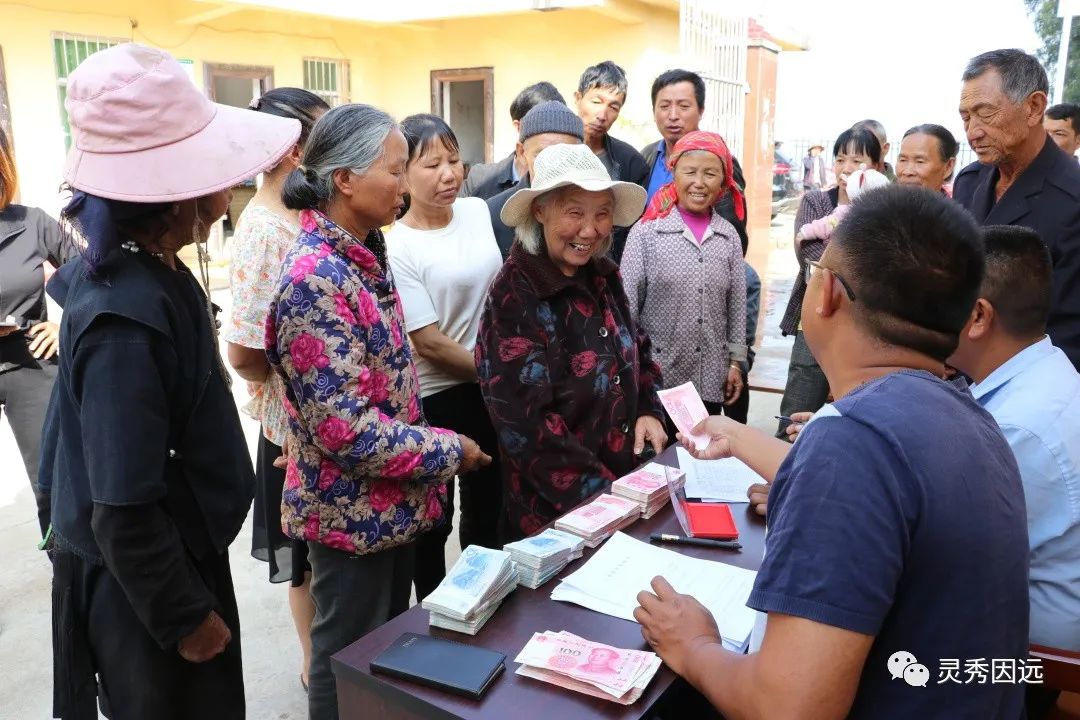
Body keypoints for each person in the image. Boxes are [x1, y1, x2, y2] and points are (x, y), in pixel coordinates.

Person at [635, 185, 1029, 719]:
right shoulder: (972, 418)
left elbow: (789, 709)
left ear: (828, 296)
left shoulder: (851, 442)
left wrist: (694, 643)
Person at [38, 43, 301, 718]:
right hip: (148, 588)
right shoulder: (124, 319)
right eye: (214, 173)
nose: (226, 192)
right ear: (174, 192)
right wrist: (186, 617)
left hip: (174, 561)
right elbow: (122, 506)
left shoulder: (155, 275)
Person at [267, 103, 491, 720]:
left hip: (387, 503)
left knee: (384, 656)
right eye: (396, 171)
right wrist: (450, 450)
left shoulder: (365, 251)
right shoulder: (318, 277)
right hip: (350, 512)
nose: (406, 184)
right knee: (345, 661)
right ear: (344, 179)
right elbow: (347, 429)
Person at [476, 143, 666, 542]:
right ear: (540, 211)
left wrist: (649, 408)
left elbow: (639, 347)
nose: (591, 230)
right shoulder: (514, 295)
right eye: (575, 212)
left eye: (602, 214)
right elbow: (526, 427)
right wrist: (607, 499)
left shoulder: (602, 274)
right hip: (555, 518)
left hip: (624, 495)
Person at [222, 87, 328, 692]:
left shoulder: (304, 213)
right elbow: (243, 354)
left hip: (320, 416)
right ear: (290, 150)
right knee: (305, 559)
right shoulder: (263, 228)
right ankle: (314, 661)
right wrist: (301, 384)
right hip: (293, 425)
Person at [946, 225, 1080, 656]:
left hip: (1032, 652)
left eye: (940, 298)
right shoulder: (1043, 369)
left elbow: (938, 546)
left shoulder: (1018, 427)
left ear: (979, 317)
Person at [385, 113, 504, 600]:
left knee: (489, 505)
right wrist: (499, 375)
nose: (449, 174)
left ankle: (483, 603)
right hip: (438, 393)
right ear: (403, 173)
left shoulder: (477, 211)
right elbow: (428, 340)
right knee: (434, 515)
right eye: (431, 164)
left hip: (492, 387)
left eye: (454, 160)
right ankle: (433, 611)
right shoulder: (398, 245)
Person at [954, 48, 1080, 371]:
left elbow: (1069, 336)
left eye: (985, 113)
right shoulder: (969, 183)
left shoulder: (1072, 198)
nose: (972, 132)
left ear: (1034, 107)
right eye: (966, 117)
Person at [621, 131, 748, 423]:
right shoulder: (645, 234)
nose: (699, 183)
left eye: (710, 173)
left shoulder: (728, 236)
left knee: (703, 459)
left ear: (724, 181)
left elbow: (737, 306)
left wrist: (736, 364)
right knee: (659, 464)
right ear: (673, 173)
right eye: (689, 171)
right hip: (657, 384)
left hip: (710, 379)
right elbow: (626, 310)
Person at [777, 126, 881, 430]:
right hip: (813, 323)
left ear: (877, 166)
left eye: (858, 161)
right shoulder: (816, 202)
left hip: (863, 327)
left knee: (851, 412)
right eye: (840, 159)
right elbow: (812, 260)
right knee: (798, 405)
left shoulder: (882, 208)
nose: (846, 168)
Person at [0, 128, 70, 537]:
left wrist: (66, 324)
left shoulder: (30, 223)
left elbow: (96, 278)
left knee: (55, 485)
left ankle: (69, 581)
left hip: (31, 364)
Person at [641, 69, 748, 253]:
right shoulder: (647, 156)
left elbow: (733, 236)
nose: (673, 115)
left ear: (701, 111)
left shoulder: (720, 162)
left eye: (683, 106)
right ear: (654, 111)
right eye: (665, 106)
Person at [486, 101, 584, 257]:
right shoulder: (493, 214)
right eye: (542, 155)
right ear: (522, 152)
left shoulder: (593, 211)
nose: (554, 165)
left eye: (566, 155)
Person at [574, 60, 649, 261]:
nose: (602, 115)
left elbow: (634, 230)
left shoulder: (631, 163)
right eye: (596, 102)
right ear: (578, 98)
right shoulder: (553, 151)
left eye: (613, 107)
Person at [460, 81, 565, 200]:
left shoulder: (572, 183)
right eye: (542, 123)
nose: (554, 132)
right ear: (518, 126)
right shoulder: (479, 180)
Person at [795, 167, 889, 244]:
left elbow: (827, 224)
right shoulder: (886, 218)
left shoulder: (847, 212)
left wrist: (806, 232)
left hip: (837, 254)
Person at [896, 123, 959, 194]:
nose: (908, 172)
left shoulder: (961, 203)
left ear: (948, 167)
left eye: (920, 161)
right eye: (903, 160)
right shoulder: (883, 202)